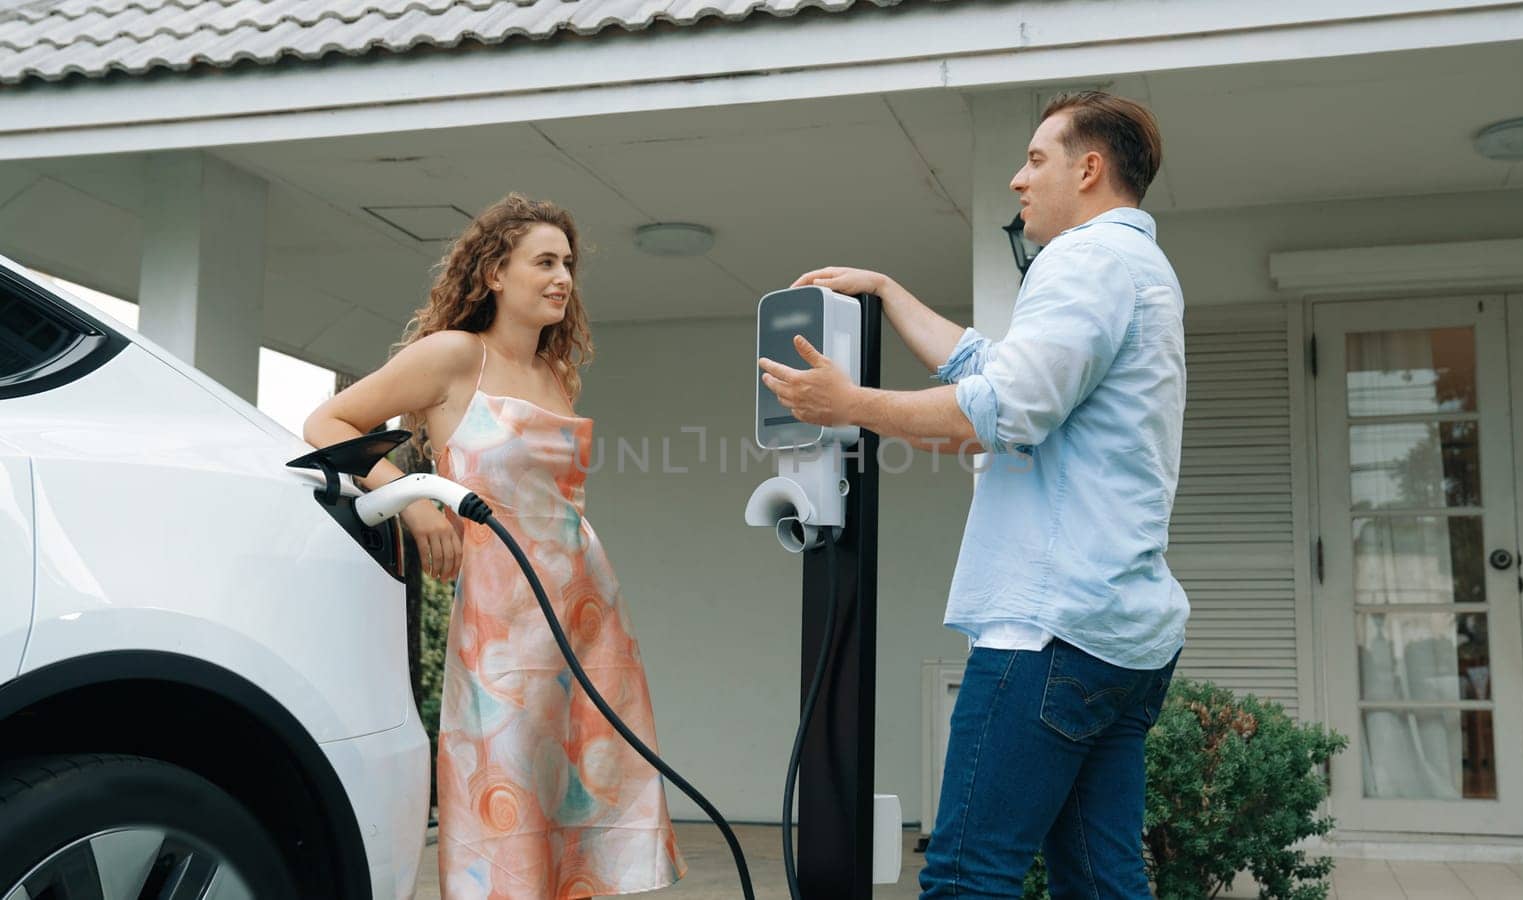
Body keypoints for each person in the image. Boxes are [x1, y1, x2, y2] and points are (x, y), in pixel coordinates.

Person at [759, 91, 1187, 899]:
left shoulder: (1085, 260)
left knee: (964, 877)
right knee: (1102, 883)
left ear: (1089, 169)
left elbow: (997, 413)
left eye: (1035, 160)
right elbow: (989, 368)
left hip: (1049, 632)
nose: (1018, 182)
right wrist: (886, 289)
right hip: (1121, 640)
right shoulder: (1141, 270)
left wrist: (848, 406)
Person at [304, 194, 684, 900]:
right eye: (544, 262)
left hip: (588, 615)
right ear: (494, 275)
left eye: (568, 264)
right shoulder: (455, 357)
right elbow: (327, 421)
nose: (563, 277)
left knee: (581, 811)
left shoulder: (553, 373)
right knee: (505, 802)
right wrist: (417, 498)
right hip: (501, 627)